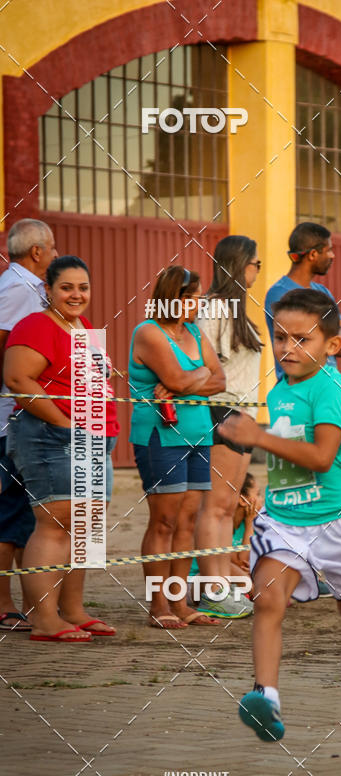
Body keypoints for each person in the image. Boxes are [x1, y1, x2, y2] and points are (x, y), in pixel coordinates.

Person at [217, 288, 341, 742]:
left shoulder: (332, 389)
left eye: (301, 339)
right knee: (267, 599)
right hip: (285, 519)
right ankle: (266, 698)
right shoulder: (281, 387)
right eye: (281, 338)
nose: (288, 348)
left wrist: (258, 437)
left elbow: (323, 457)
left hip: (337, 522)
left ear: (332, 345)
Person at [3, 255, 119, 642]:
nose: (76, 294)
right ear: (48, 290)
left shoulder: (84, 327)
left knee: (85, 529)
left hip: (94, 437)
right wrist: (64, 422)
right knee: (55, 525)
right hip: (52, 436)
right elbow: (18, 377)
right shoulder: (35, 325)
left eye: (83, 287)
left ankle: (72, 610)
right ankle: (45, 619)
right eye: (66, 287)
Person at [130, 265, 225, 629]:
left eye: (199, 299)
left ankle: (180, 602)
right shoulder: (148, 332)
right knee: (164, 521)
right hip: (161, 436)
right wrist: (196, 376)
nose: (196, 306)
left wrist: (192, 379)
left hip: (199, 433)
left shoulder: (196, 333)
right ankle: (159, 605)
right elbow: (177, 379)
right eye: (191, 299)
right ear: (171, 297)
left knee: (187, 520)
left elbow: (221, 380)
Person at [193, 236, 262, 620]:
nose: (257, 271)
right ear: (239, 265)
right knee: (215, 507)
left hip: (244, 415)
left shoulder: (235, 309)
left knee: (226, 506)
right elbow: (201, 365)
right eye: (255, 264)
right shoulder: (214, 308)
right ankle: (211, 588)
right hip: (220, 412)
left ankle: (221, 585)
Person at [0, 219, 57, 632]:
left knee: (23, 514)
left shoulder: (29, 288)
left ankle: (30, 602)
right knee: (9, 512)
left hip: (24, 415)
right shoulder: (18, 290)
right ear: (36, 251)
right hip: (9, 418)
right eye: (52, 249)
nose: (55, 255)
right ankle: (3, 602)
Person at [264, 222, 341, 380]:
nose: (333, 256)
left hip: (328, 385)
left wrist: (318, 339)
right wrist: (326, 337)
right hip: (297, 389)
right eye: (329, 250)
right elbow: (301, 345)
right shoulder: (279, 293)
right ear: (313, 255)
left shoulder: (323, 292)